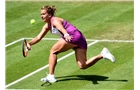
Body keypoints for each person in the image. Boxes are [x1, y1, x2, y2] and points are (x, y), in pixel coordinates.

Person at [27, 5, 116, 83]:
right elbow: (38, 38)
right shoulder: (47, 26)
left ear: (49, 15)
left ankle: (51, 75)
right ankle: (102, 54)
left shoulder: (54, 20)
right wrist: (29, 43)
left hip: (72, 36)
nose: (41, 16)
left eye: (43, 14)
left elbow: (60, 27)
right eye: (41, 14)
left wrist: (66, 35)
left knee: (53, 51)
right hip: (80, 38)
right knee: (83, 65)